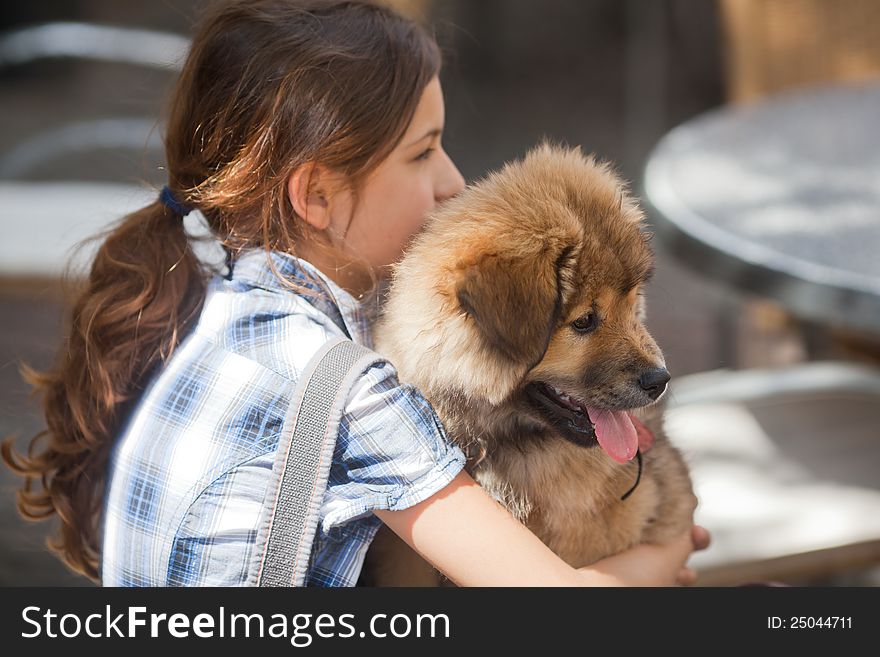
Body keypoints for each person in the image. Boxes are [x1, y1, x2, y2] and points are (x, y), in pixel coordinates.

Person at [1, 0, 708, 587]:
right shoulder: (349, 391)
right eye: (422, 151)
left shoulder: (207, 299)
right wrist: (664, 555)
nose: (454, 182)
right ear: (315, 194)